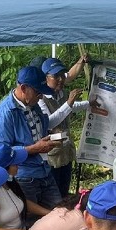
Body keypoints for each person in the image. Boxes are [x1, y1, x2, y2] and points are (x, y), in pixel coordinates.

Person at [0, 66, 61, 209]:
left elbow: (39, 131)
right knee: (31, 222)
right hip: (24, 176)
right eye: (38, 93)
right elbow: (0, 153)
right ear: (23, 88)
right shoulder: (5, 113)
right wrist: (34, 149)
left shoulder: (33, 104)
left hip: (44, 169)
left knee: (59, 214)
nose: (40, 97)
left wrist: (50, 137)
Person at [39, 56, 90, 198]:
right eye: (56, 76)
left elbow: (71, 106)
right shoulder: (40, 98)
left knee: (64, 191)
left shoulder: (60, 91)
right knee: (53, 195)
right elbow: (49, 122)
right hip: (52, 155)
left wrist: (89, 104)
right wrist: (68, 103)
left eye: (62, 75)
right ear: (46, 78)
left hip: (65, 151)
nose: (61, 79)